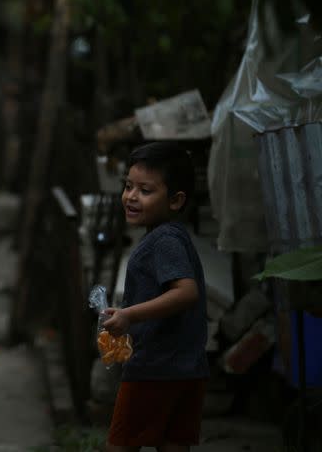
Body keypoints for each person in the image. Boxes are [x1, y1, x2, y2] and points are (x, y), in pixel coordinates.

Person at [101, 142, 209, 452]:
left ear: (175, 200)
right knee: (173, 444)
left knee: (120, 444)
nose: (131, 196)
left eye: (145, 191)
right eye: (128, 186)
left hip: (155, 368)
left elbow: (186, 292)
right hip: (187, 367)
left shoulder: (165, 240)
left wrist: (129, 315)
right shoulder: (170, 236)